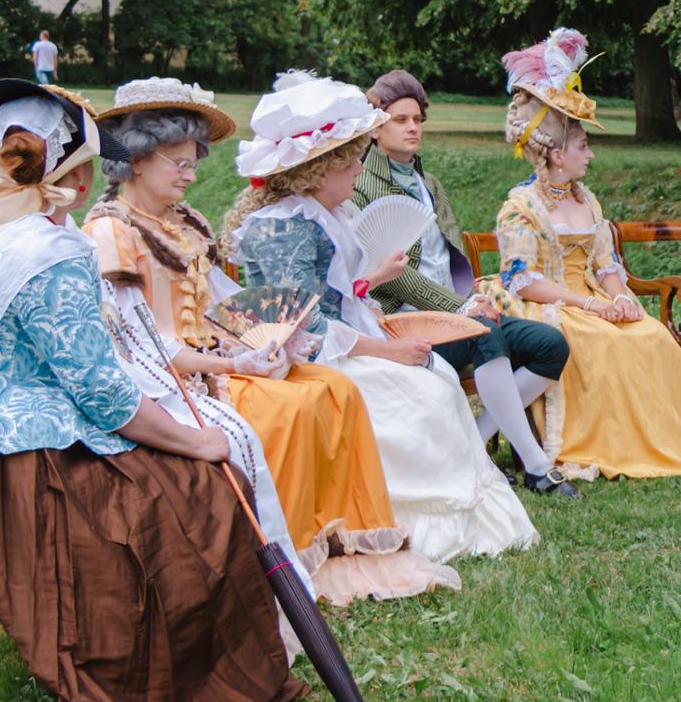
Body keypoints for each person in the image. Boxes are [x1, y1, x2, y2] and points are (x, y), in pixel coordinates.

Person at [0, 79, 303, 702]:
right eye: (86, 161)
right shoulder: (50, 250)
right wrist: (191, 441)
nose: (91, 178)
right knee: (188, 490)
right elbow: (106, 398)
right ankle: (165, 671)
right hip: (17, 461)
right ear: (63, 166)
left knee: (176, 477)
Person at [84, 76, 459, 603]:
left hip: (215, 358)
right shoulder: (112, 232)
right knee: (285, 412)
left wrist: (264, 341)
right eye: (179, 163)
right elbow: (135, 342)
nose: (191, 176)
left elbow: (224, 298)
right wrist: (230, 364)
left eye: (194, 161)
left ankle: (332, 542)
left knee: (334, 390)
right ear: (137, 159)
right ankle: (274, 553)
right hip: (165, 380)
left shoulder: (184, 221)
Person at [224, 70, 540, 562]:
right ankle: (407, 515)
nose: (357, 171)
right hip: (307, 356)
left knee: (436, 380)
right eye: (348, 163)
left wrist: (369, 298)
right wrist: (386, 348)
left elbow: (336, 293)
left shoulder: (326, 214)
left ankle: (466, 500)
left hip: (348, 337)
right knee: (423, 391)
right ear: (317, 170)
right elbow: (301, 322)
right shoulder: (282, 225)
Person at [494, 28, 681, 479]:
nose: (590, 155)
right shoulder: (520, 207)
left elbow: (605, 262)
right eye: (583, 146)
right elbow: (523, 279)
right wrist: (590, 304)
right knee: (594, 343)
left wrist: (619, 299)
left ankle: (654, 439)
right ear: (556, 155)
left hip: (593, 297)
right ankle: (595, 444)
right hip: (548, 303)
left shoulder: (586, 199)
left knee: (649, 336)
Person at [352, 69, 580, 497]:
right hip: (403, 317)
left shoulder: (429, 183)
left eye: (417, 119)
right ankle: (535, 466)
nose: (412, 127)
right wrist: (459, 310)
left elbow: (449, 254)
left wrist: (471, 297)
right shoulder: (360, 184)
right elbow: (396, 276)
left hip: (455, 307)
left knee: (550, 344)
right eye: (400, 120)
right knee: (486, 334)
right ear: (375, 128)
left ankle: (471, 448)